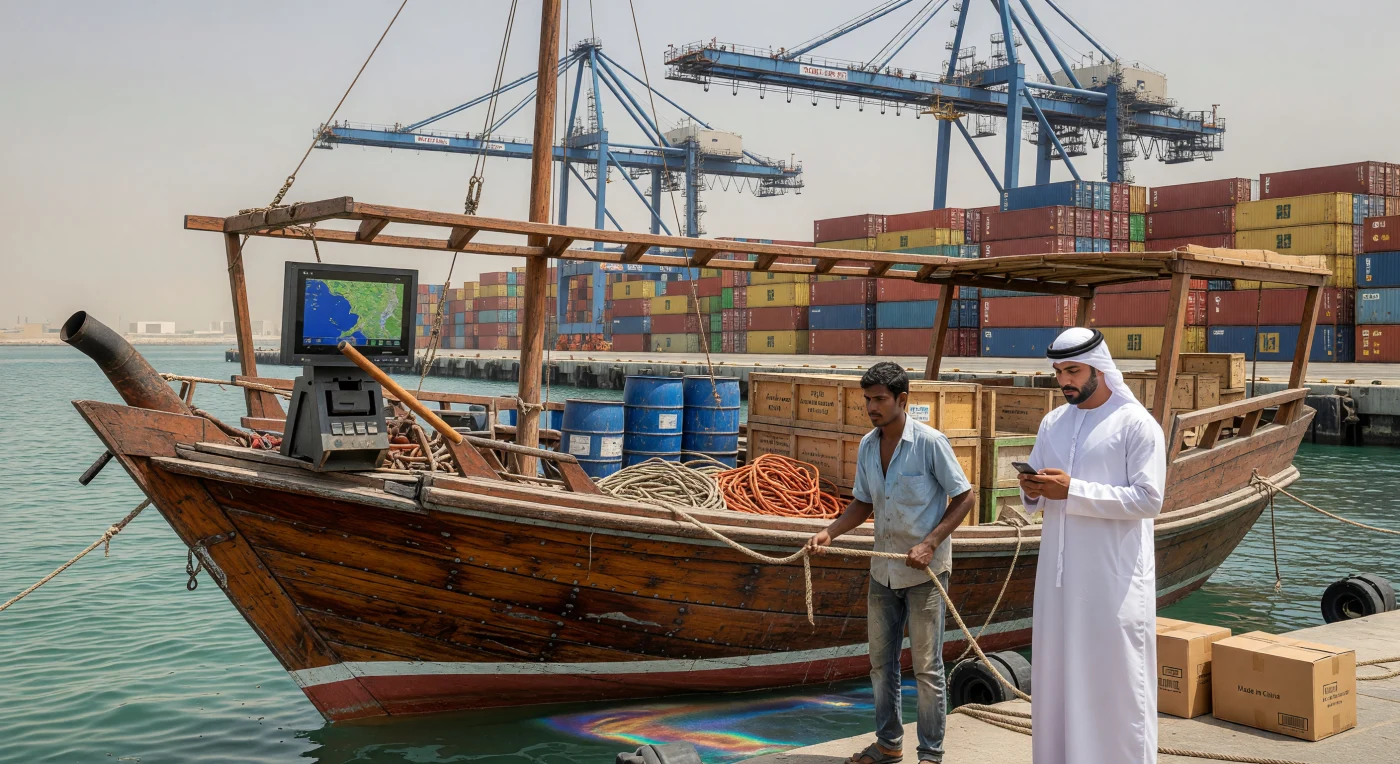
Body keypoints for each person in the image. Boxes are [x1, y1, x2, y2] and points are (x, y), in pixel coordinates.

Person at [805, 361, 975, 764]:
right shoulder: (867, 445)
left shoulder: (931, 443)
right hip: (882, 574)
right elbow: (863, 503)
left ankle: (930, 755)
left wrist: (931, 543)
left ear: (902, 400)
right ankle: (888, 745)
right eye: (867, 399)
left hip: (925, 574)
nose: (871, 407)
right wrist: (830, 532)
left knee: (928, 669)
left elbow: (964, 495)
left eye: (879, 399)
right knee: (881, 665)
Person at [1018, 327, 1167, 764]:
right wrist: (1032, 488)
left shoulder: (1137, 424)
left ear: (1099, 369)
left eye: (1073, 370)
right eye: (1059, 371)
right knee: (1058, 682)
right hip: (1058, 583)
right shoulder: (1053, 422)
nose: (1064, 380)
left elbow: (1149, 499)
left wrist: (1074, 492)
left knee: (1115, 684)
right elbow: (1041, 494)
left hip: (1112, 582)